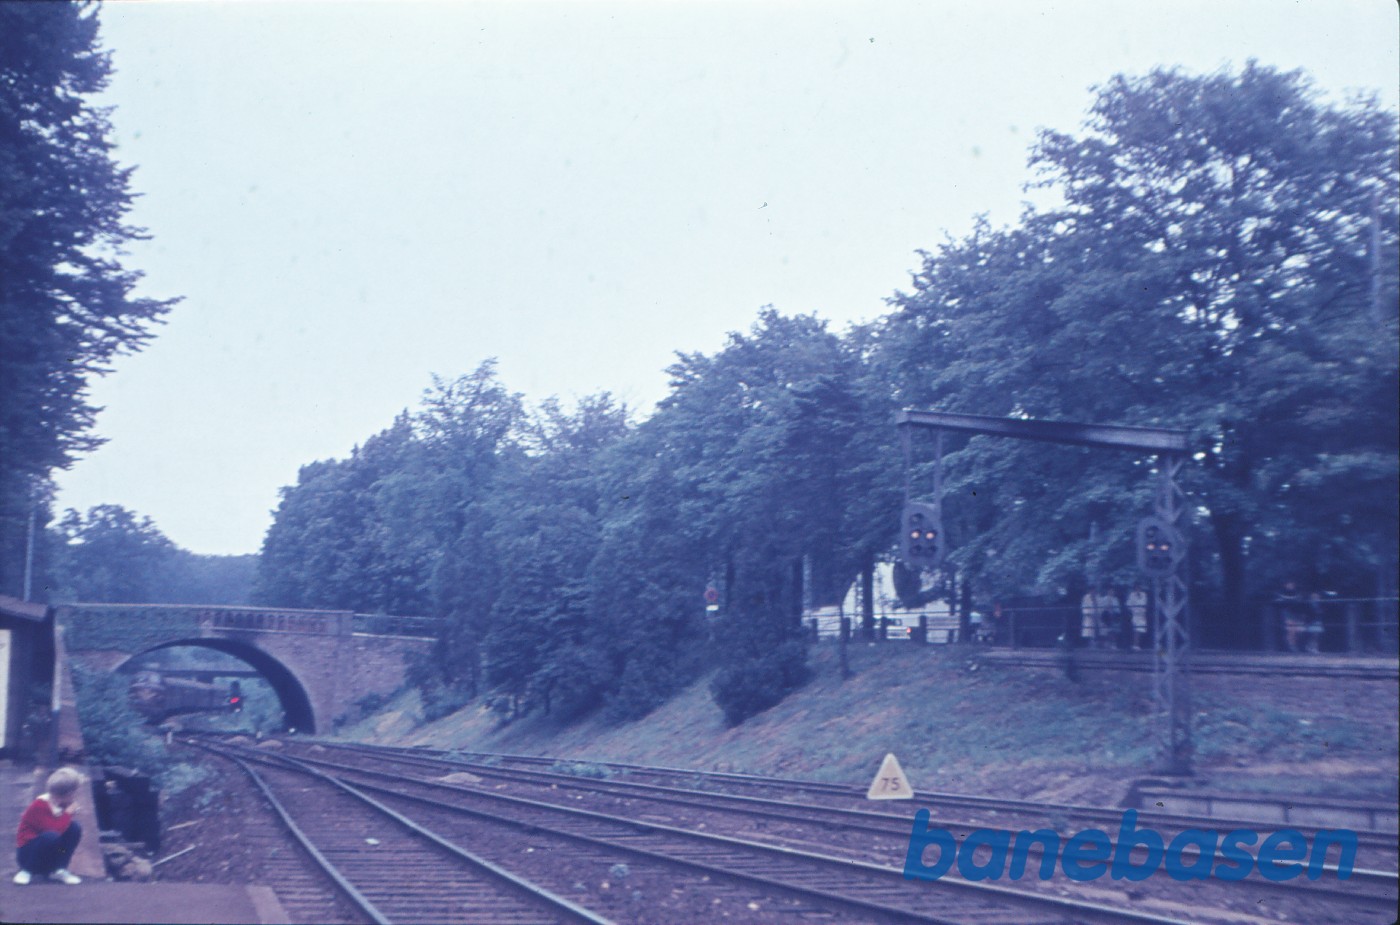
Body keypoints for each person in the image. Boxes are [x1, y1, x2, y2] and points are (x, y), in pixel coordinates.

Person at [14, 767, 84, 885]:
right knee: (51, 836)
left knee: (74, 827)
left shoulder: (61, 804)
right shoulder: (40, 805)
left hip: (51, 853)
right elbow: (54, 831)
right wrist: (67, 813)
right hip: (28, 854)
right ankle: (26, 871)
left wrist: (66, 813)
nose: (76, 796)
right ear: (68, 794)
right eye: (75, 793)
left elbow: (62, 833)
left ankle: (59, 869)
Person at [1275, 580, 1307, 652]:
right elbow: (1279, 602)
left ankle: (1296, 645)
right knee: (1290, 630)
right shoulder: (1282, 593)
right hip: (1288, 614)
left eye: (1292, 584)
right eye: (1289, 584)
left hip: (1298, 614)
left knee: (1300, 631)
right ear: (1285, 585)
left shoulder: (1298, 592)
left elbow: (1302, 603)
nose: (1290, 586)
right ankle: (1291, 647)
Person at [1126, 584, 1149, 650]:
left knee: (1142, 630)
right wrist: (1132, 610)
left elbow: (1145, 603)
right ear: (1135, 588)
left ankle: (1138, 644)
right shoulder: (1132, 595)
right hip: (1135, 614)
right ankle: (1135, 645)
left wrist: (1144, 612)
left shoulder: (1144, 594)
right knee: (1136, 630)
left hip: (1142, 614)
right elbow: (1128, 604)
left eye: (1139, 588)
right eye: (1136, 588)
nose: (1138, 589)